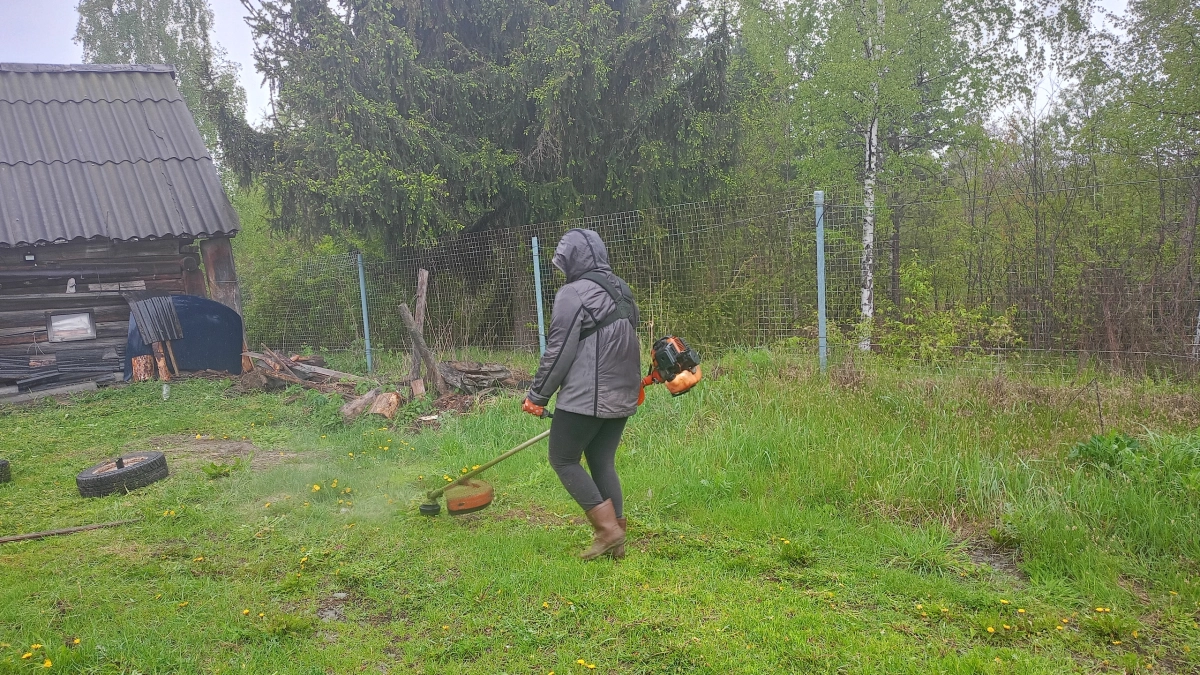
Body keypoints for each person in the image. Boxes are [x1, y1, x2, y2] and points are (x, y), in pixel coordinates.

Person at [522, 228, 641, 560]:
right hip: (624, 393)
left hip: (588, 395)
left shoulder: (573, 294)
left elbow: (559, 352)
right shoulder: (622, 290)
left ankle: (607, 531)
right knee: (602, 460)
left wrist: (537, 396)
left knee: (563, 458)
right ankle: (617, 542)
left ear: (572, 260)